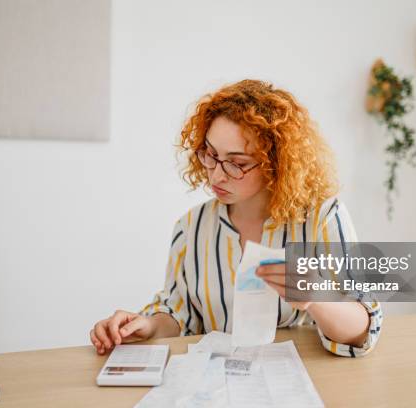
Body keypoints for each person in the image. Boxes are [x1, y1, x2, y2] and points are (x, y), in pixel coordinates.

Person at [90, 79, 382, 357]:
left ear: (276, 164)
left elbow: (363, 332)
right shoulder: (190, 227)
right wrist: (148, 326)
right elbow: (180, 314)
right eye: (211, 154)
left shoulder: (322, 218)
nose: (216, 174)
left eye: (236, 163)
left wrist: (315, 296)